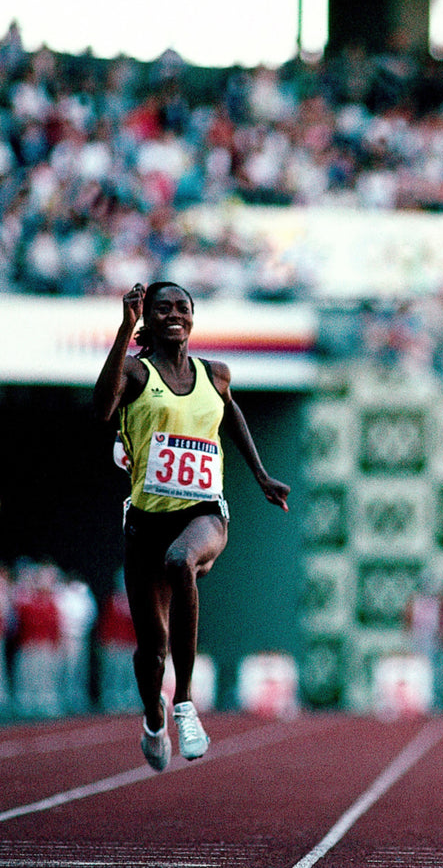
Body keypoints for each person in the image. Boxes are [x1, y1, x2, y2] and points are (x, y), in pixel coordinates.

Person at [94, 281, 290, 771]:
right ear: (149, 319)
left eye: (183, 307)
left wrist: (262, 475)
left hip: (204, 511)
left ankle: (183, 704)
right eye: (163, 309)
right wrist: (124, 328)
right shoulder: (138, 374)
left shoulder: (215, 374)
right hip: (145, 521)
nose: (174, 314)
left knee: (182, 560)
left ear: (194, 317)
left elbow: (232, 413)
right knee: (150, 651)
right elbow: (102, 408)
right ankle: (153, 717)